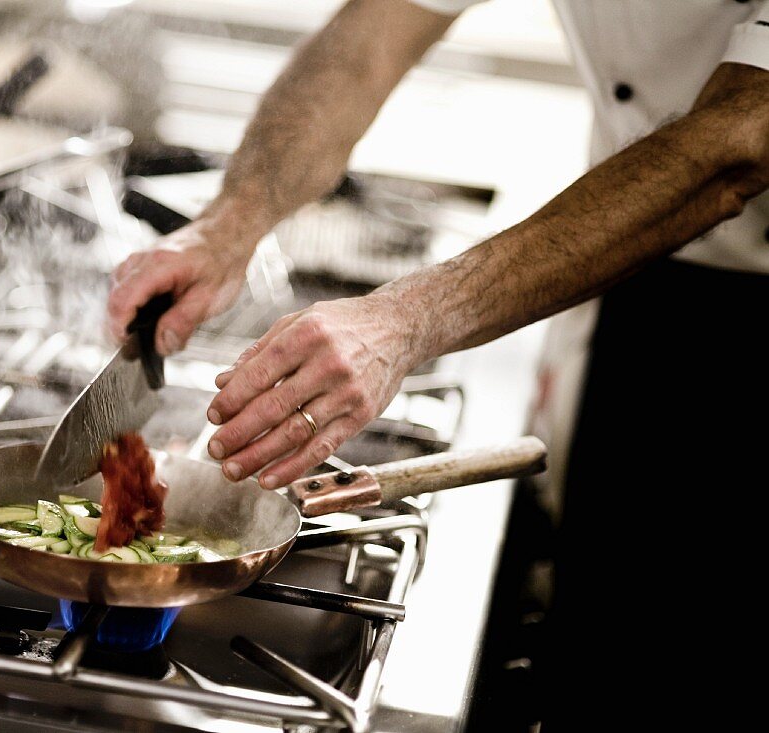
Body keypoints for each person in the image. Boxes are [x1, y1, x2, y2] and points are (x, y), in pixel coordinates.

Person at [108, 1, 768, 729]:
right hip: (643, 252)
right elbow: (369, 39)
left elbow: (741, 136)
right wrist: (226, 226)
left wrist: (404, 318)